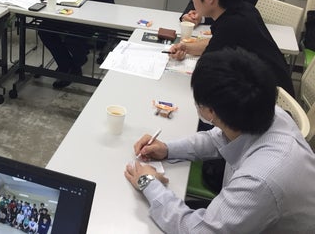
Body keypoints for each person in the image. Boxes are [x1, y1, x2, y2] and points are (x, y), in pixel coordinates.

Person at [124, 47, 315, 233]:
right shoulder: (267, 112)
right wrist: (167, 149)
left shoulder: (259, 181)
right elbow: (217, 139)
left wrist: (148, 183)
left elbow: (198, 230)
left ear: (210, 112)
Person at [169, 0, 294, 97]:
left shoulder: (231, 25)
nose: (193, 0)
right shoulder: (245, 9)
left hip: (271, 100)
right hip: (277, 88)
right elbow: (217, 43)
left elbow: (203, 73)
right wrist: (186, 48)